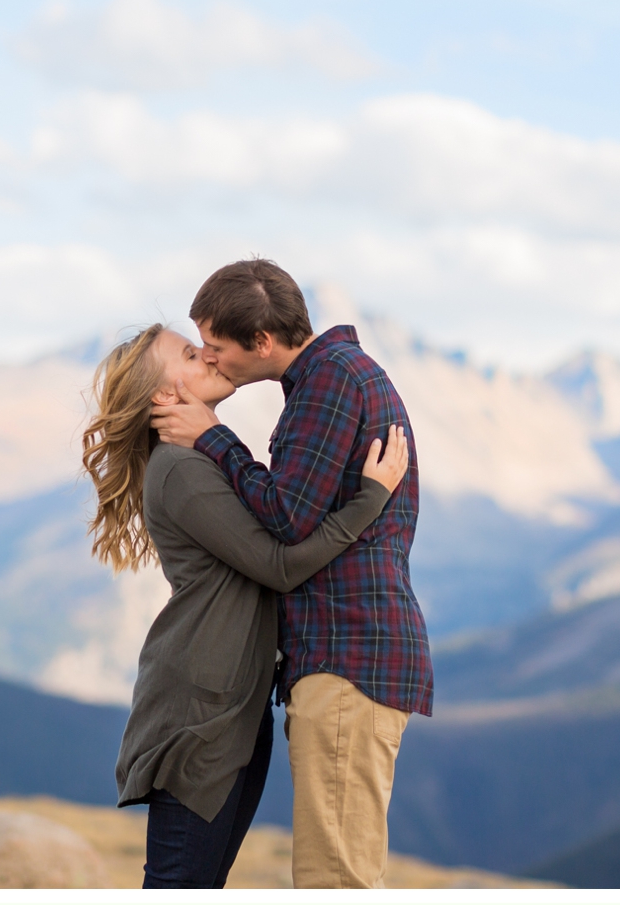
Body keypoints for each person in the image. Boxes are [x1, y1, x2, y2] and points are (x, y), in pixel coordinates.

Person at [84, 322, 411, 890]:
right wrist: (369, 502)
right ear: (165, 396)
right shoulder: (182, 469)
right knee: (178, 887)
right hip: (199, 713)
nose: (209, 355)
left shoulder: (197, 458)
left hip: (232, 704)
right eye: (190, 353)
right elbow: (278, 564)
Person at [151, 258, 431, 889]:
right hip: (351, 655)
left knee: (334, 881)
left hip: (345, 655)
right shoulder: (332, 378)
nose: (214, 362)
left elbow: (286, 519)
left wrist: (213, 435)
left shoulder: (328, 384)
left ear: (263, 343)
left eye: (218, 349)